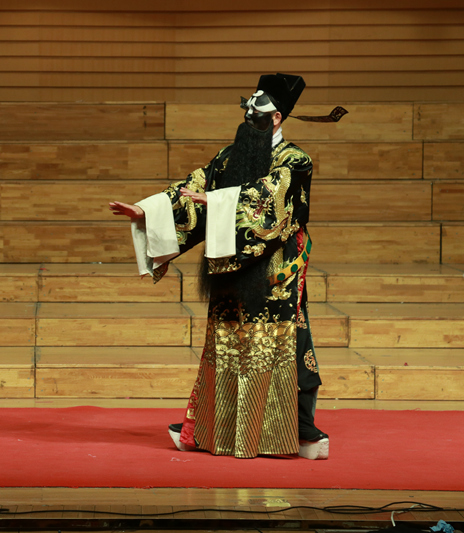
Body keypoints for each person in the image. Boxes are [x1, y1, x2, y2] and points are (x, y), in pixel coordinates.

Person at [110, 73, 329, 459]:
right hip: (231, 266)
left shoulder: (295, 161)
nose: (247, 114)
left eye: (256, 109)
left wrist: (220, 202)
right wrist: (148, 211)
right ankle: (214, 427)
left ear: (277, 117)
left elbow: (272, 199)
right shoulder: (230, 156)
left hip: (276, 269)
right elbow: (194, 187)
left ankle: (296, 429)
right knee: (226, 342)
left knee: (277, 343)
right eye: (247, 107)